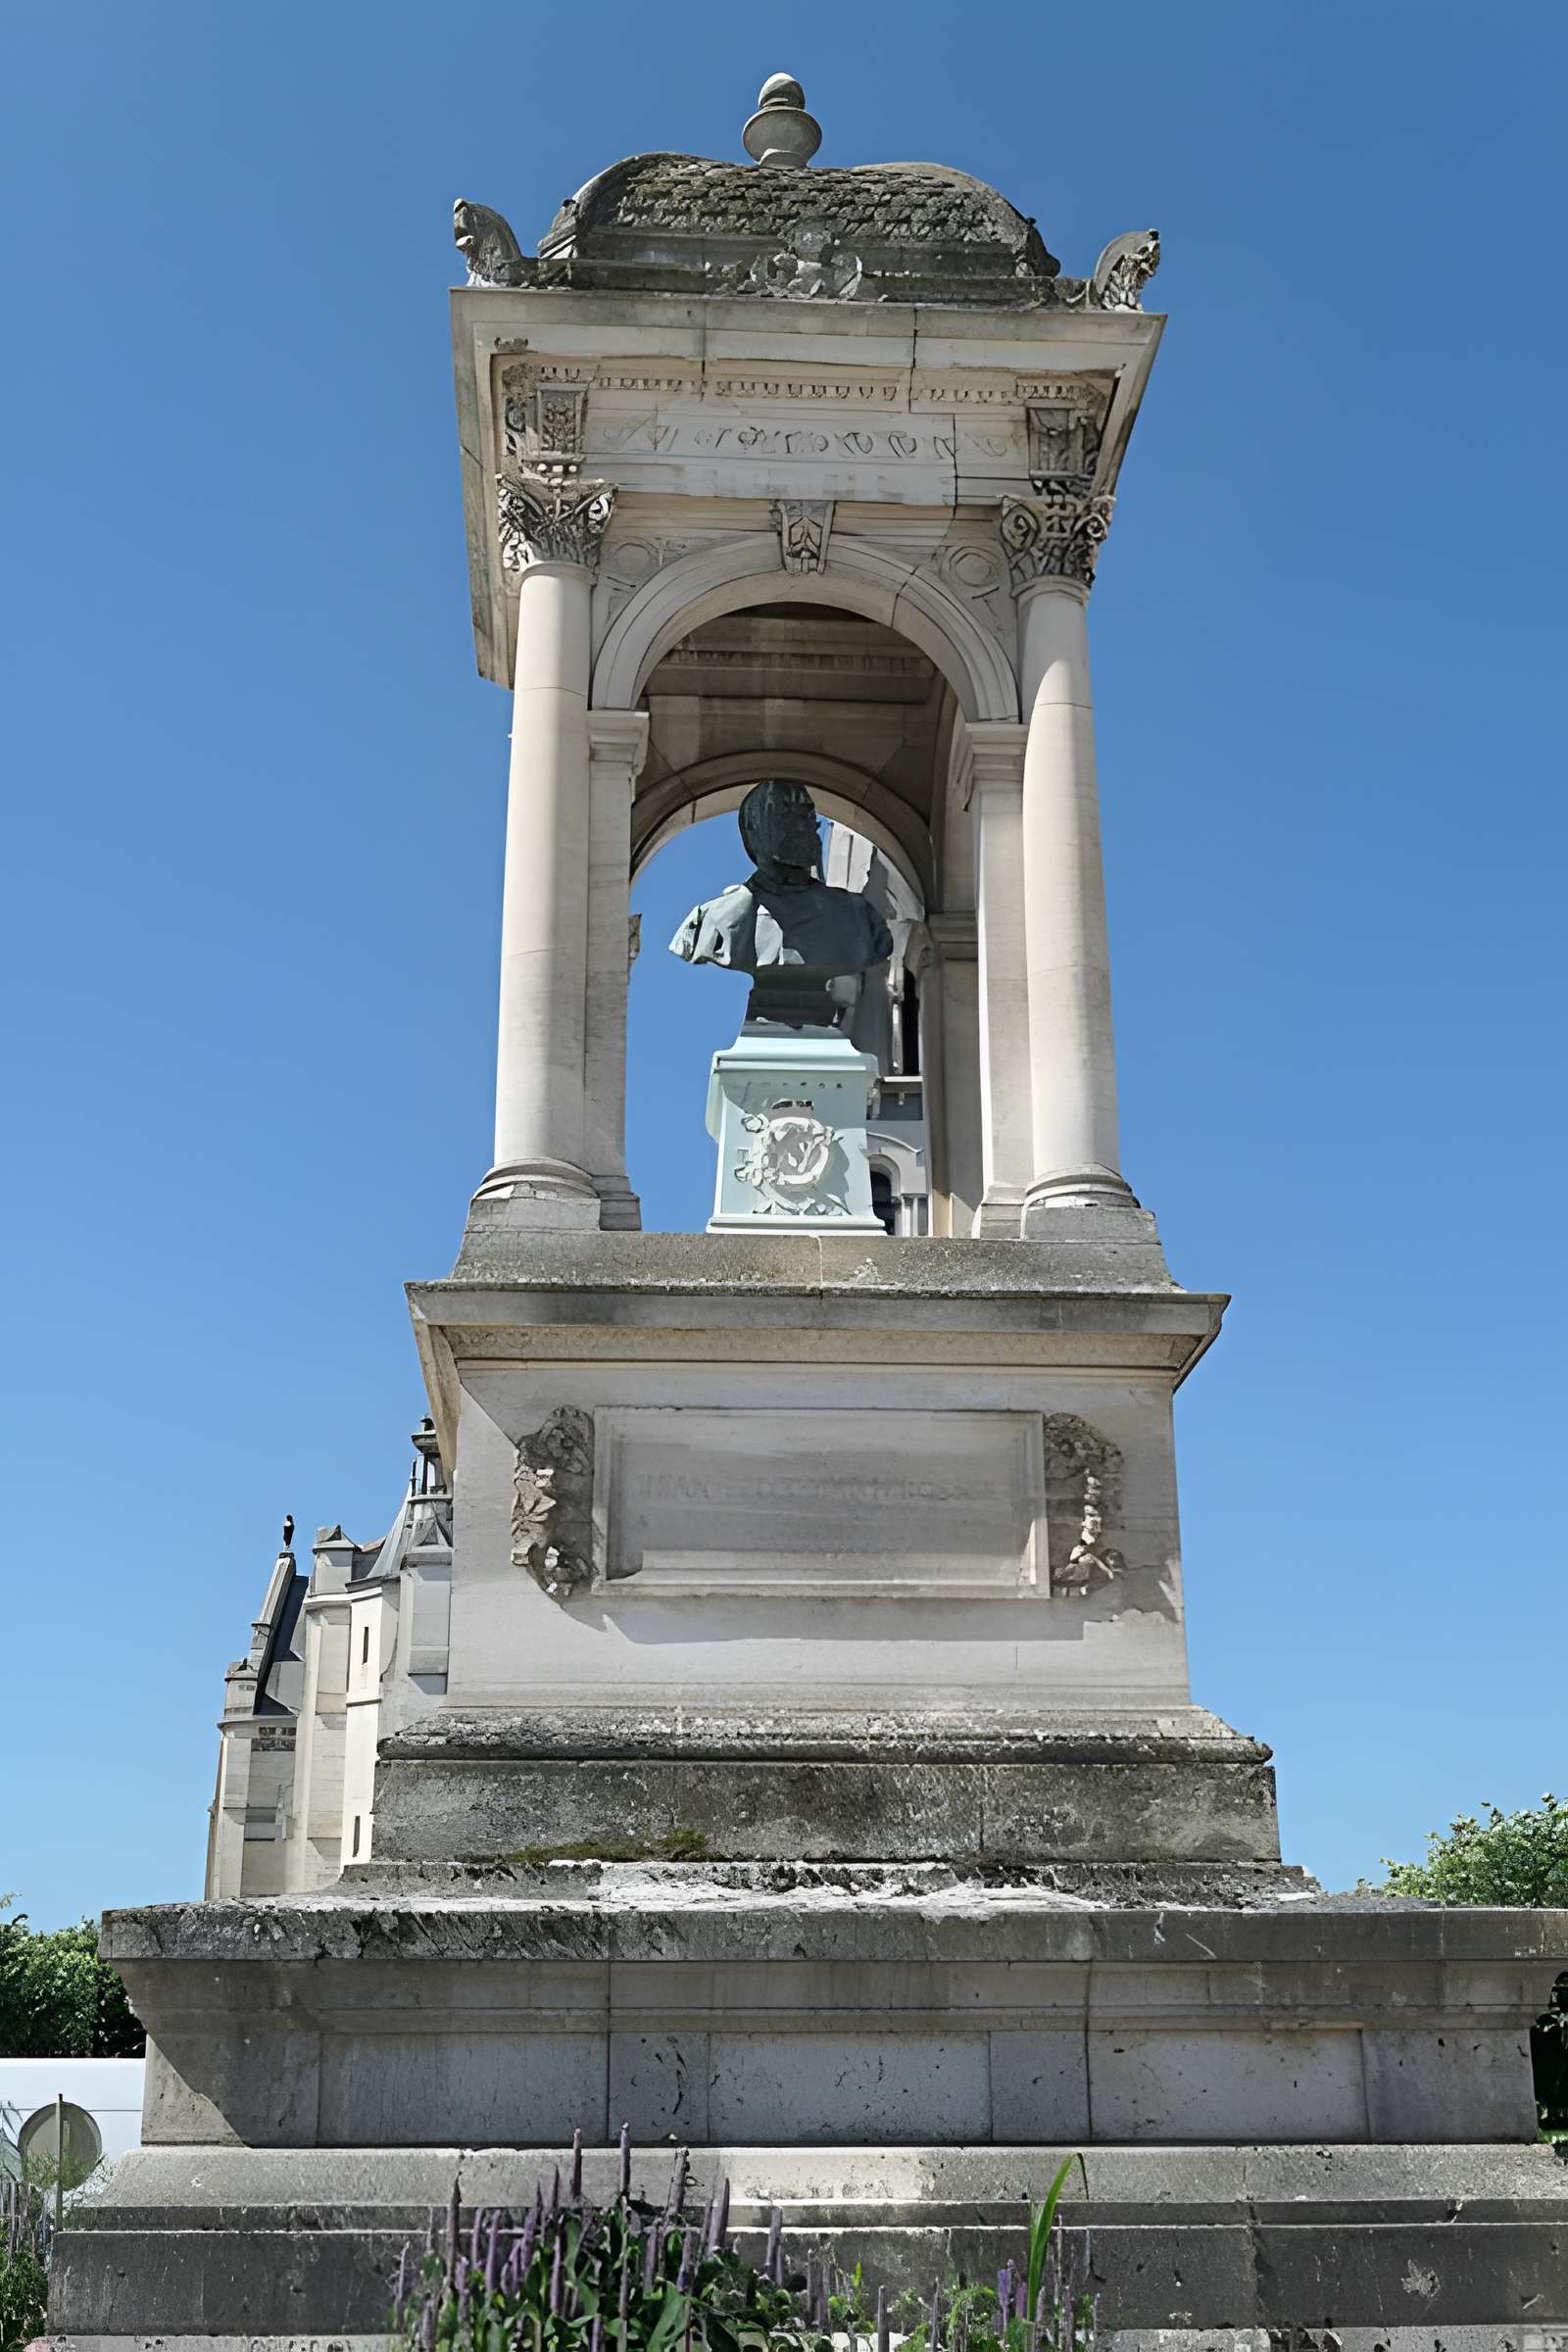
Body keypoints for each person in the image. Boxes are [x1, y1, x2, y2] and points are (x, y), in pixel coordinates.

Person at [669, 779, 893, 1025]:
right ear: (754, 828)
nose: (805, 827)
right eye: (788, 814)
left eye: (808, 815)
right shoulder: (711, 920)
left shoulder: (859, 917)